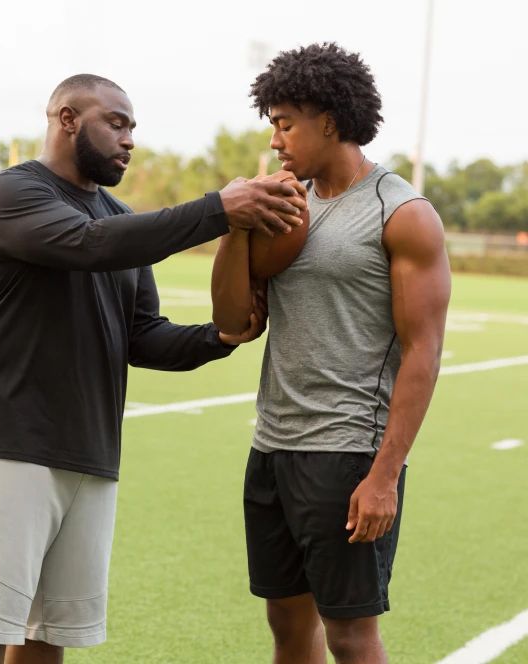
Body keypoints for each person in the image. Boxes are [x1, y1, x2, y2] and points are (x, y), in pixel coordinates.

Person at [0, 73, 307, 664]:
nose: (129, 141)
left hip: (90, 448)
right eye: (117, 123)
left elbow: (141, 335)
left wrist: (219, 337)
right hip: (10, 438)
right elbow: (88, 244)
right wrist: (217, 210)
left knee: (49, 633)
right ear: (67, 119)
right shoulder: (10, 194)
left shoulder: (118, 217)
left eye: (133, 129)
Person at [211, 43, 451, 663]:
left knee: (349, 636)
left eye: (285, 123)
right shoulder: (284, 206)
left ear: (331, 122)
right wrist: (236, 226)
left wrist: (384, 476)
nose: (275, 141)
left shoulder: (401, 213)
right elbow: (237, 320)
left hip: (348, 453)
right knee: (289, 630)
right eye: (272, 125)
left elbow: (423, 353)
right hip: (273, 446)